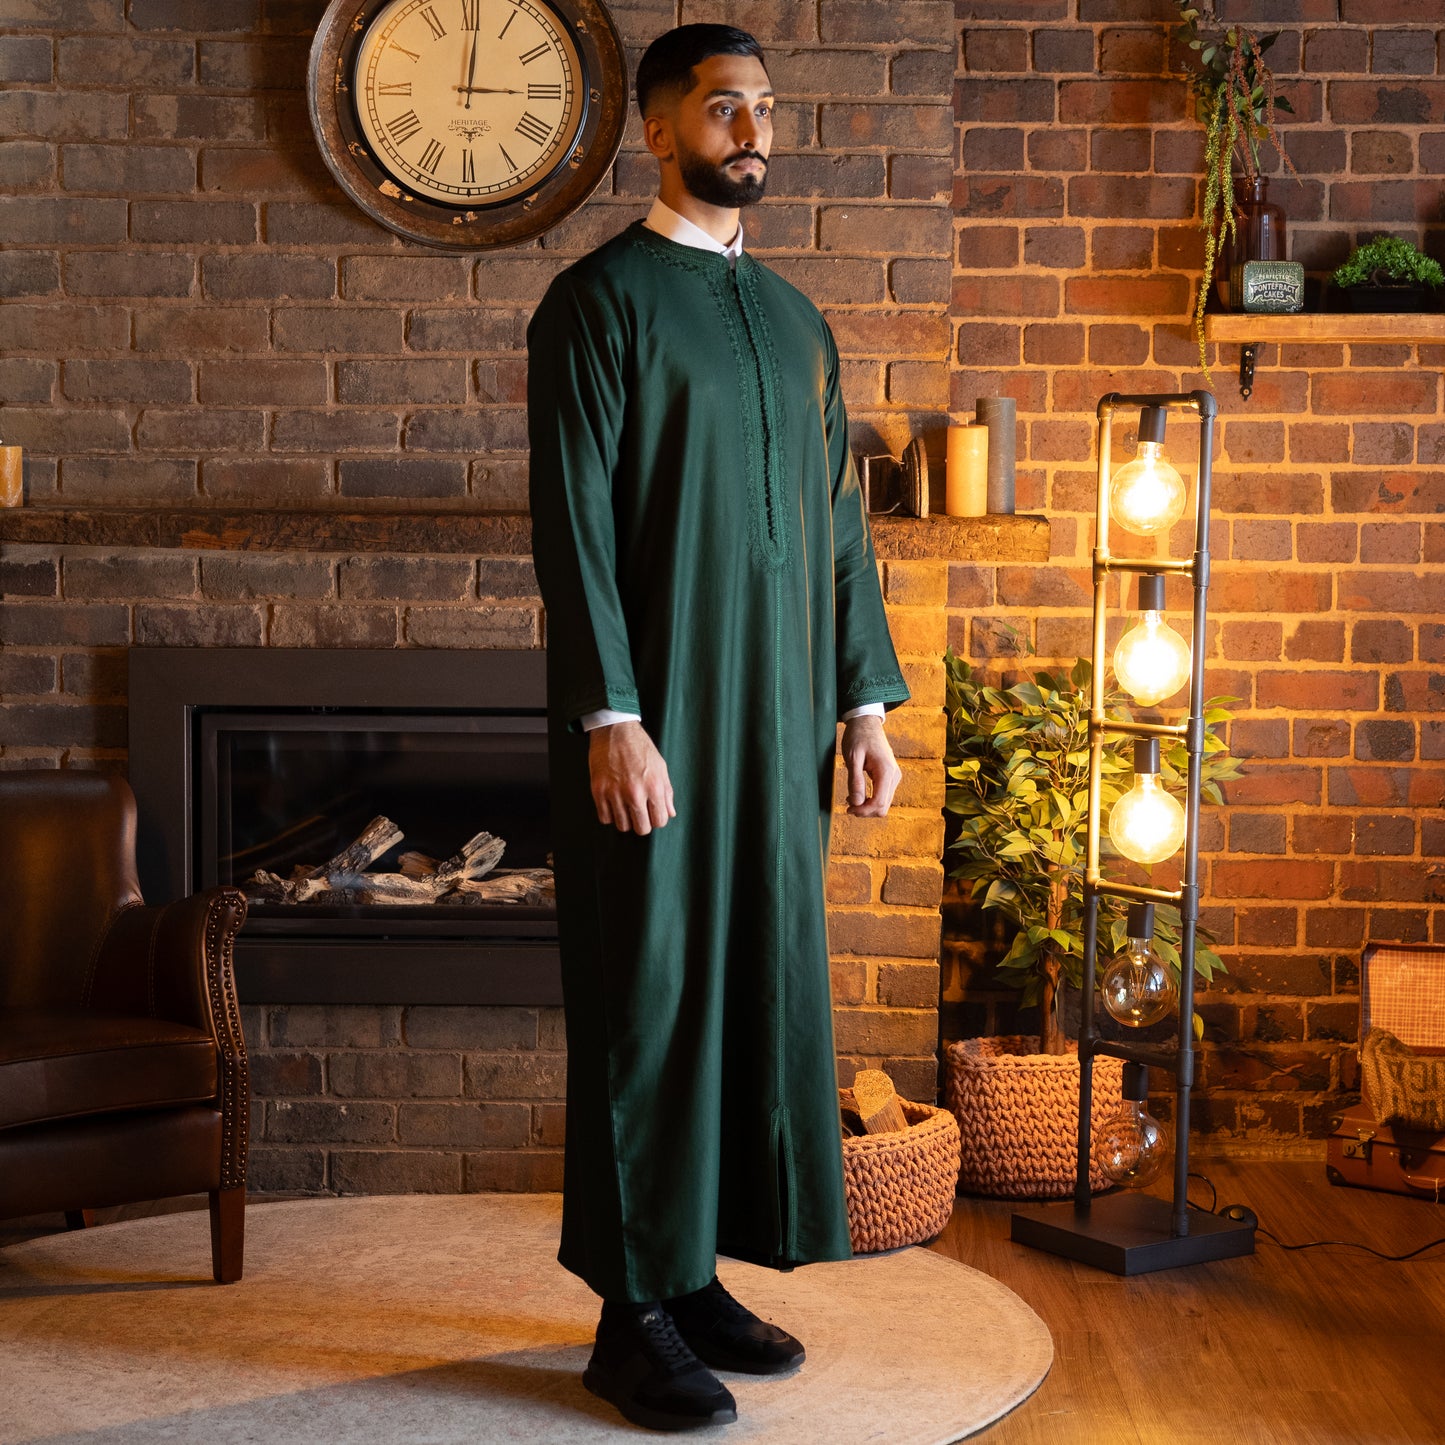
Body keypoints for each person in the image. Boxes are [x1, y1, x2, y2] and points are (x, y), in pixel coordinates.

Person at [526, 23, 909, 1433]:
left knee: (753, 984)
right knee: (651, 995)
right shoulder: (596, 304)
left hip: (778, 724)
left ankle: (688, 1279)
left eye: (764, 108)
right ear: (658, 129)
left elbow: (839, 529)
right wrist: (612, 716)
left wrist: (860, 703)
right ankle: (626, 1317)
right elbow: (573, 525)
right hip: (656, 719)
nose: (751, 131)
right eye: (721, 107)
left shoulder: (799, 322)